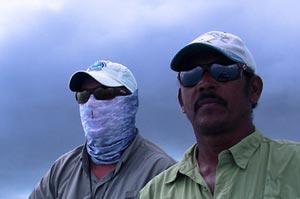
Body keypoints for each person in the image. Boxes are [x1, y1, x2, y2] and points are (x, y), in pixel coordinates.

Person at [139, 31, 300, 198]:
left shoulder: (294, 165)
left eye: (223, 70)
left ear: (254, 89)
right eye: (191, 74)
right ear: (181, 101)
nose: (205, 83)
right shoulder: (154, 192)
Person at [29, 60, 175, 199]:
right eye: (83, 95)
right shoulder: (61, 170)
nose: (91, 103)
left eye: (104, 93)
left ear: (130, 100)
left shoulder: (162, 172)